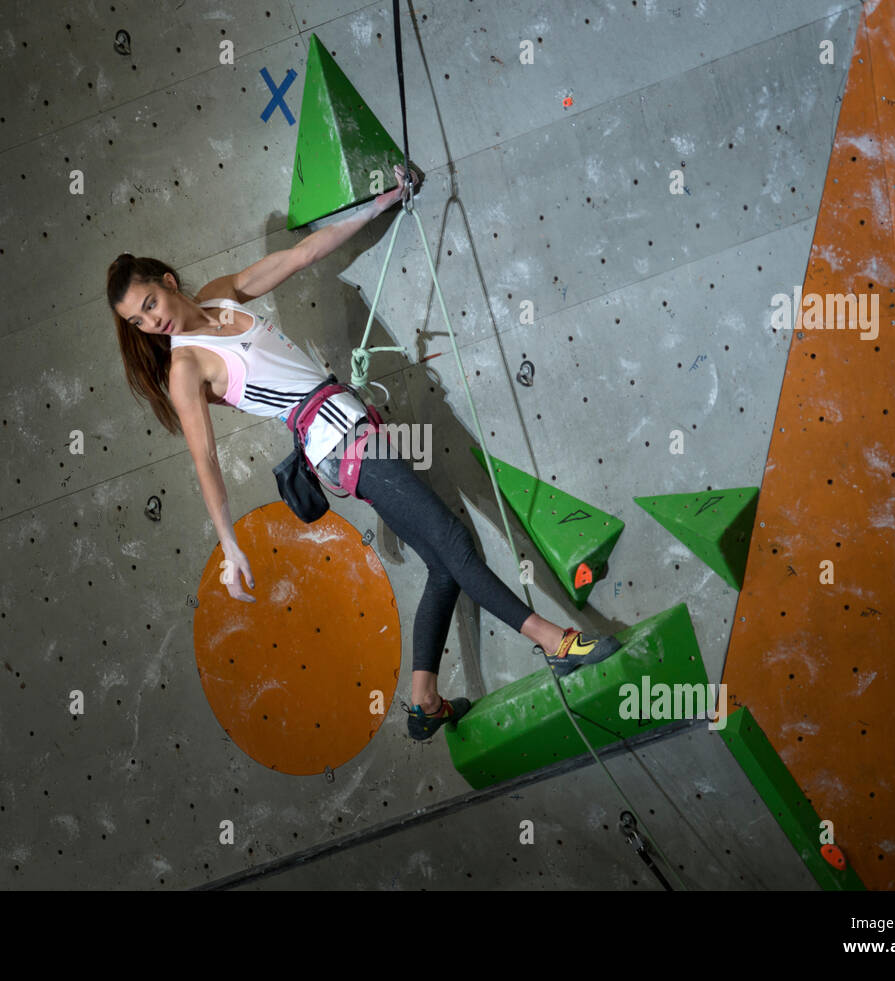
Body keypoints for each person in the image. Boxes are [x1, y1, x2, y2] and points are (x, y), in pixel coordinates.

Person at [106, 165, 620, 742]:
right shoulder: (184, 367)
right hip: (335, 441)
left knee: (445, 566)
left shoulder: (220, 295)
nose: (153, 321)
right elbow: (204, 462)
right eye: (139, 320)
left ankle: (423, 700)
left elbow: (303, 255)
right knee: (454, 542)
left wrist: (382, 203)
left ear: (168, 281)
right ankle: (555, 642)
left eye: (150, 303)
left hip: (348, 419)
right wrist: (228, 546)